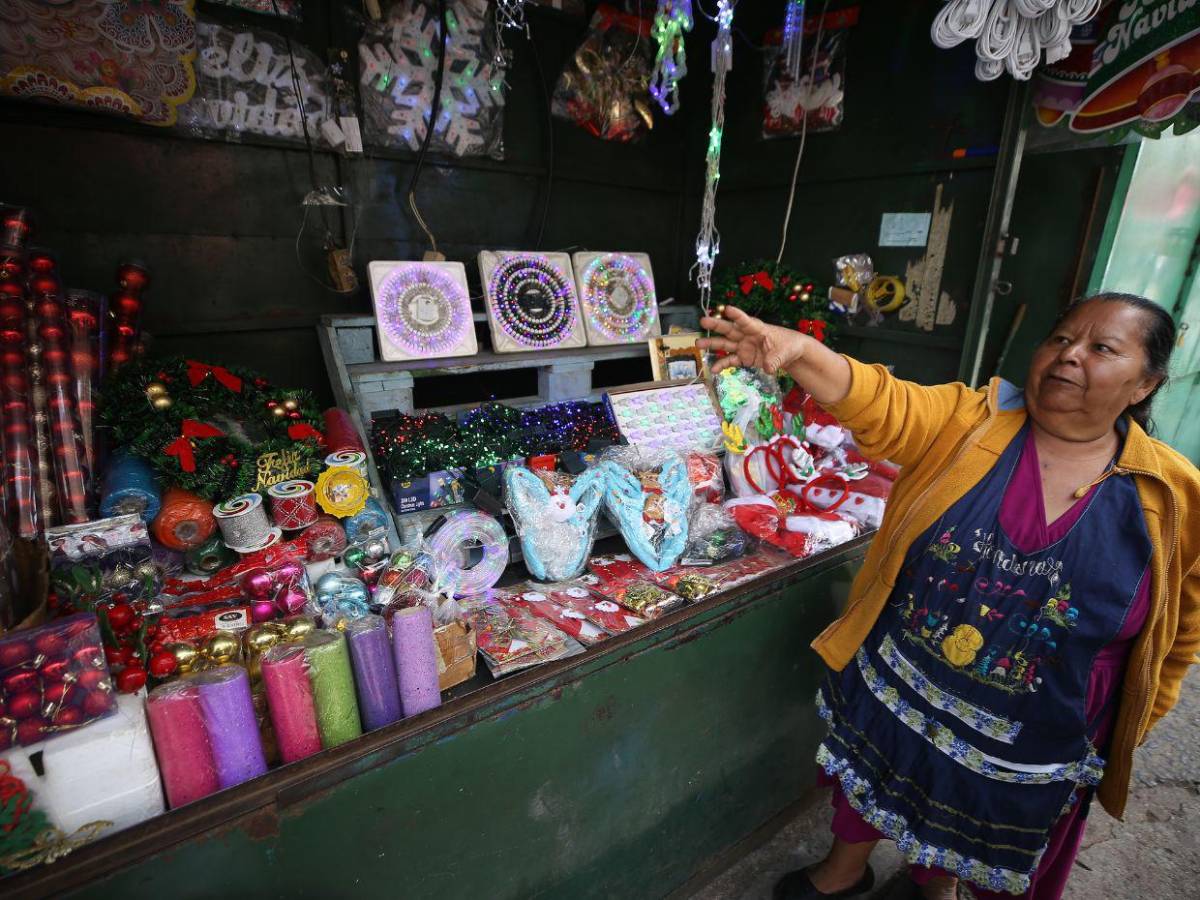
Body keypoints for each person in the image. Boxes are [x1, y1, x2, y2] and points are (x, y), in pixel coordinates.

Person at [698, 294, 1200, 900]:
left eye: (1102, 348)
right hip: (912, 675)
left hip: (1037, 722)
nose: (1070, 356)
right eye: (1062, 338)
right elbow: (885, 403)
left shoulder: (1173, 495)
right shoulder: (971, 421)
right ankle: (845, 871)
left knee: (988, 823)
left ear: (1145, 383)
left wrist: (1144, 713)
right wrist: (803, 353)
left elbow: (1181, 627)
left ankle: (937, 883)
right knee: (878, 767)